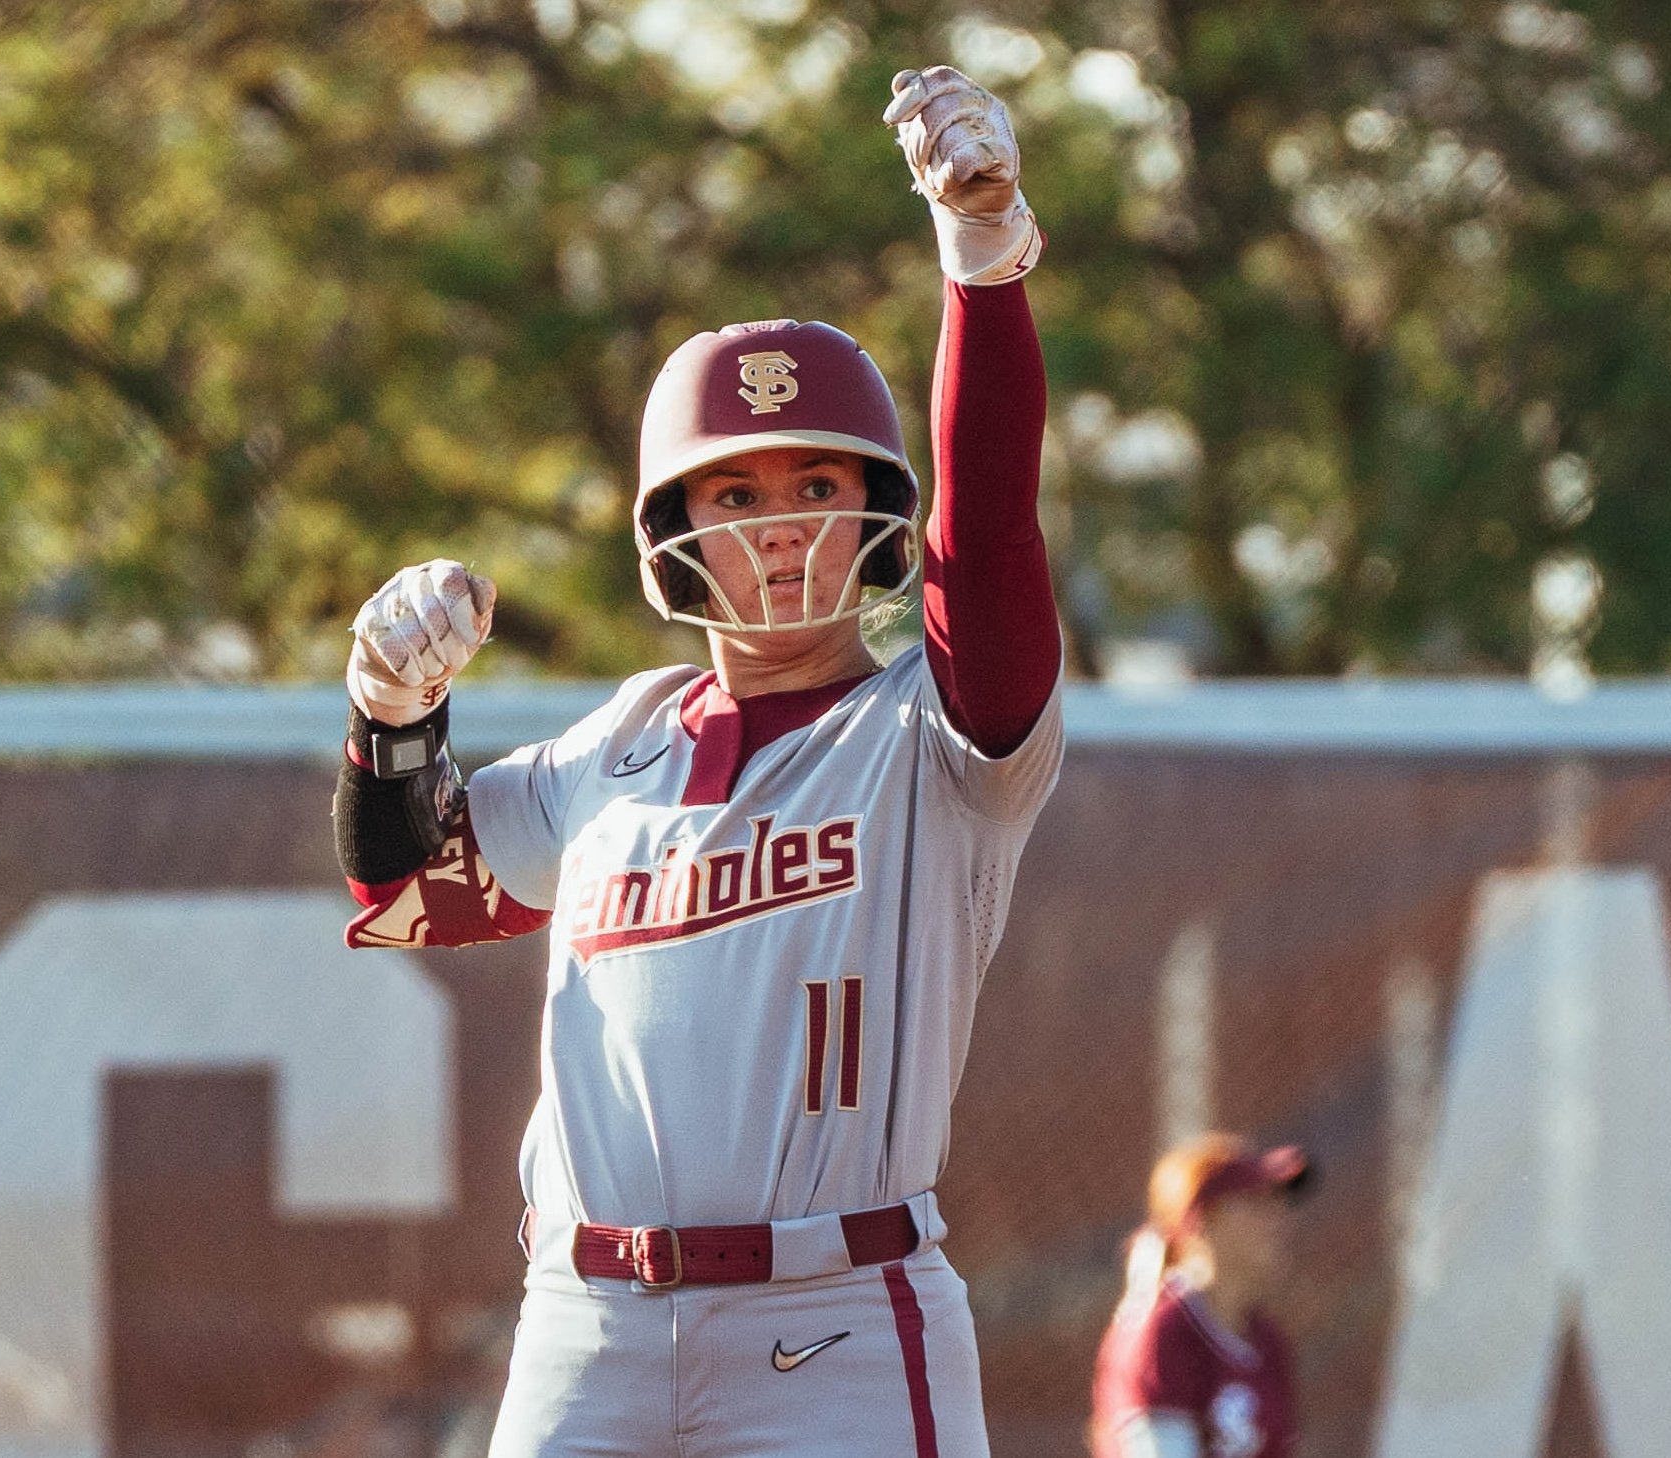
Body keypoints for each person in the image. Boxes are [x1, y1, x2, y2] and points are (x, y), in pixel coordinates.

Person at [329, 64, 1059, 1458]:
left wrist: (983, 264)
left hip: (837, 1315)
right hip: (584, 1318)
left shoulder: (938, 732)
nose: (781, 528)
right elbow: (408, 881)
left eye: (817, 486)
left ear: (880, 517)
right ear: (677, 527)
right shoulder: (618, 744)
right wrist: (390, 712)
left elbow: (998, 538)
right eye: (737, 493)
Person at [1090, 1137, 1312, 1458]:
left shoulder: (1267, 1339)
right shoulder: (1163, 1334)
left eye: (1278, 1205)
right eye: (1257, 1204)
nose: (1277, 1222)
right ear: (1202, 1221)